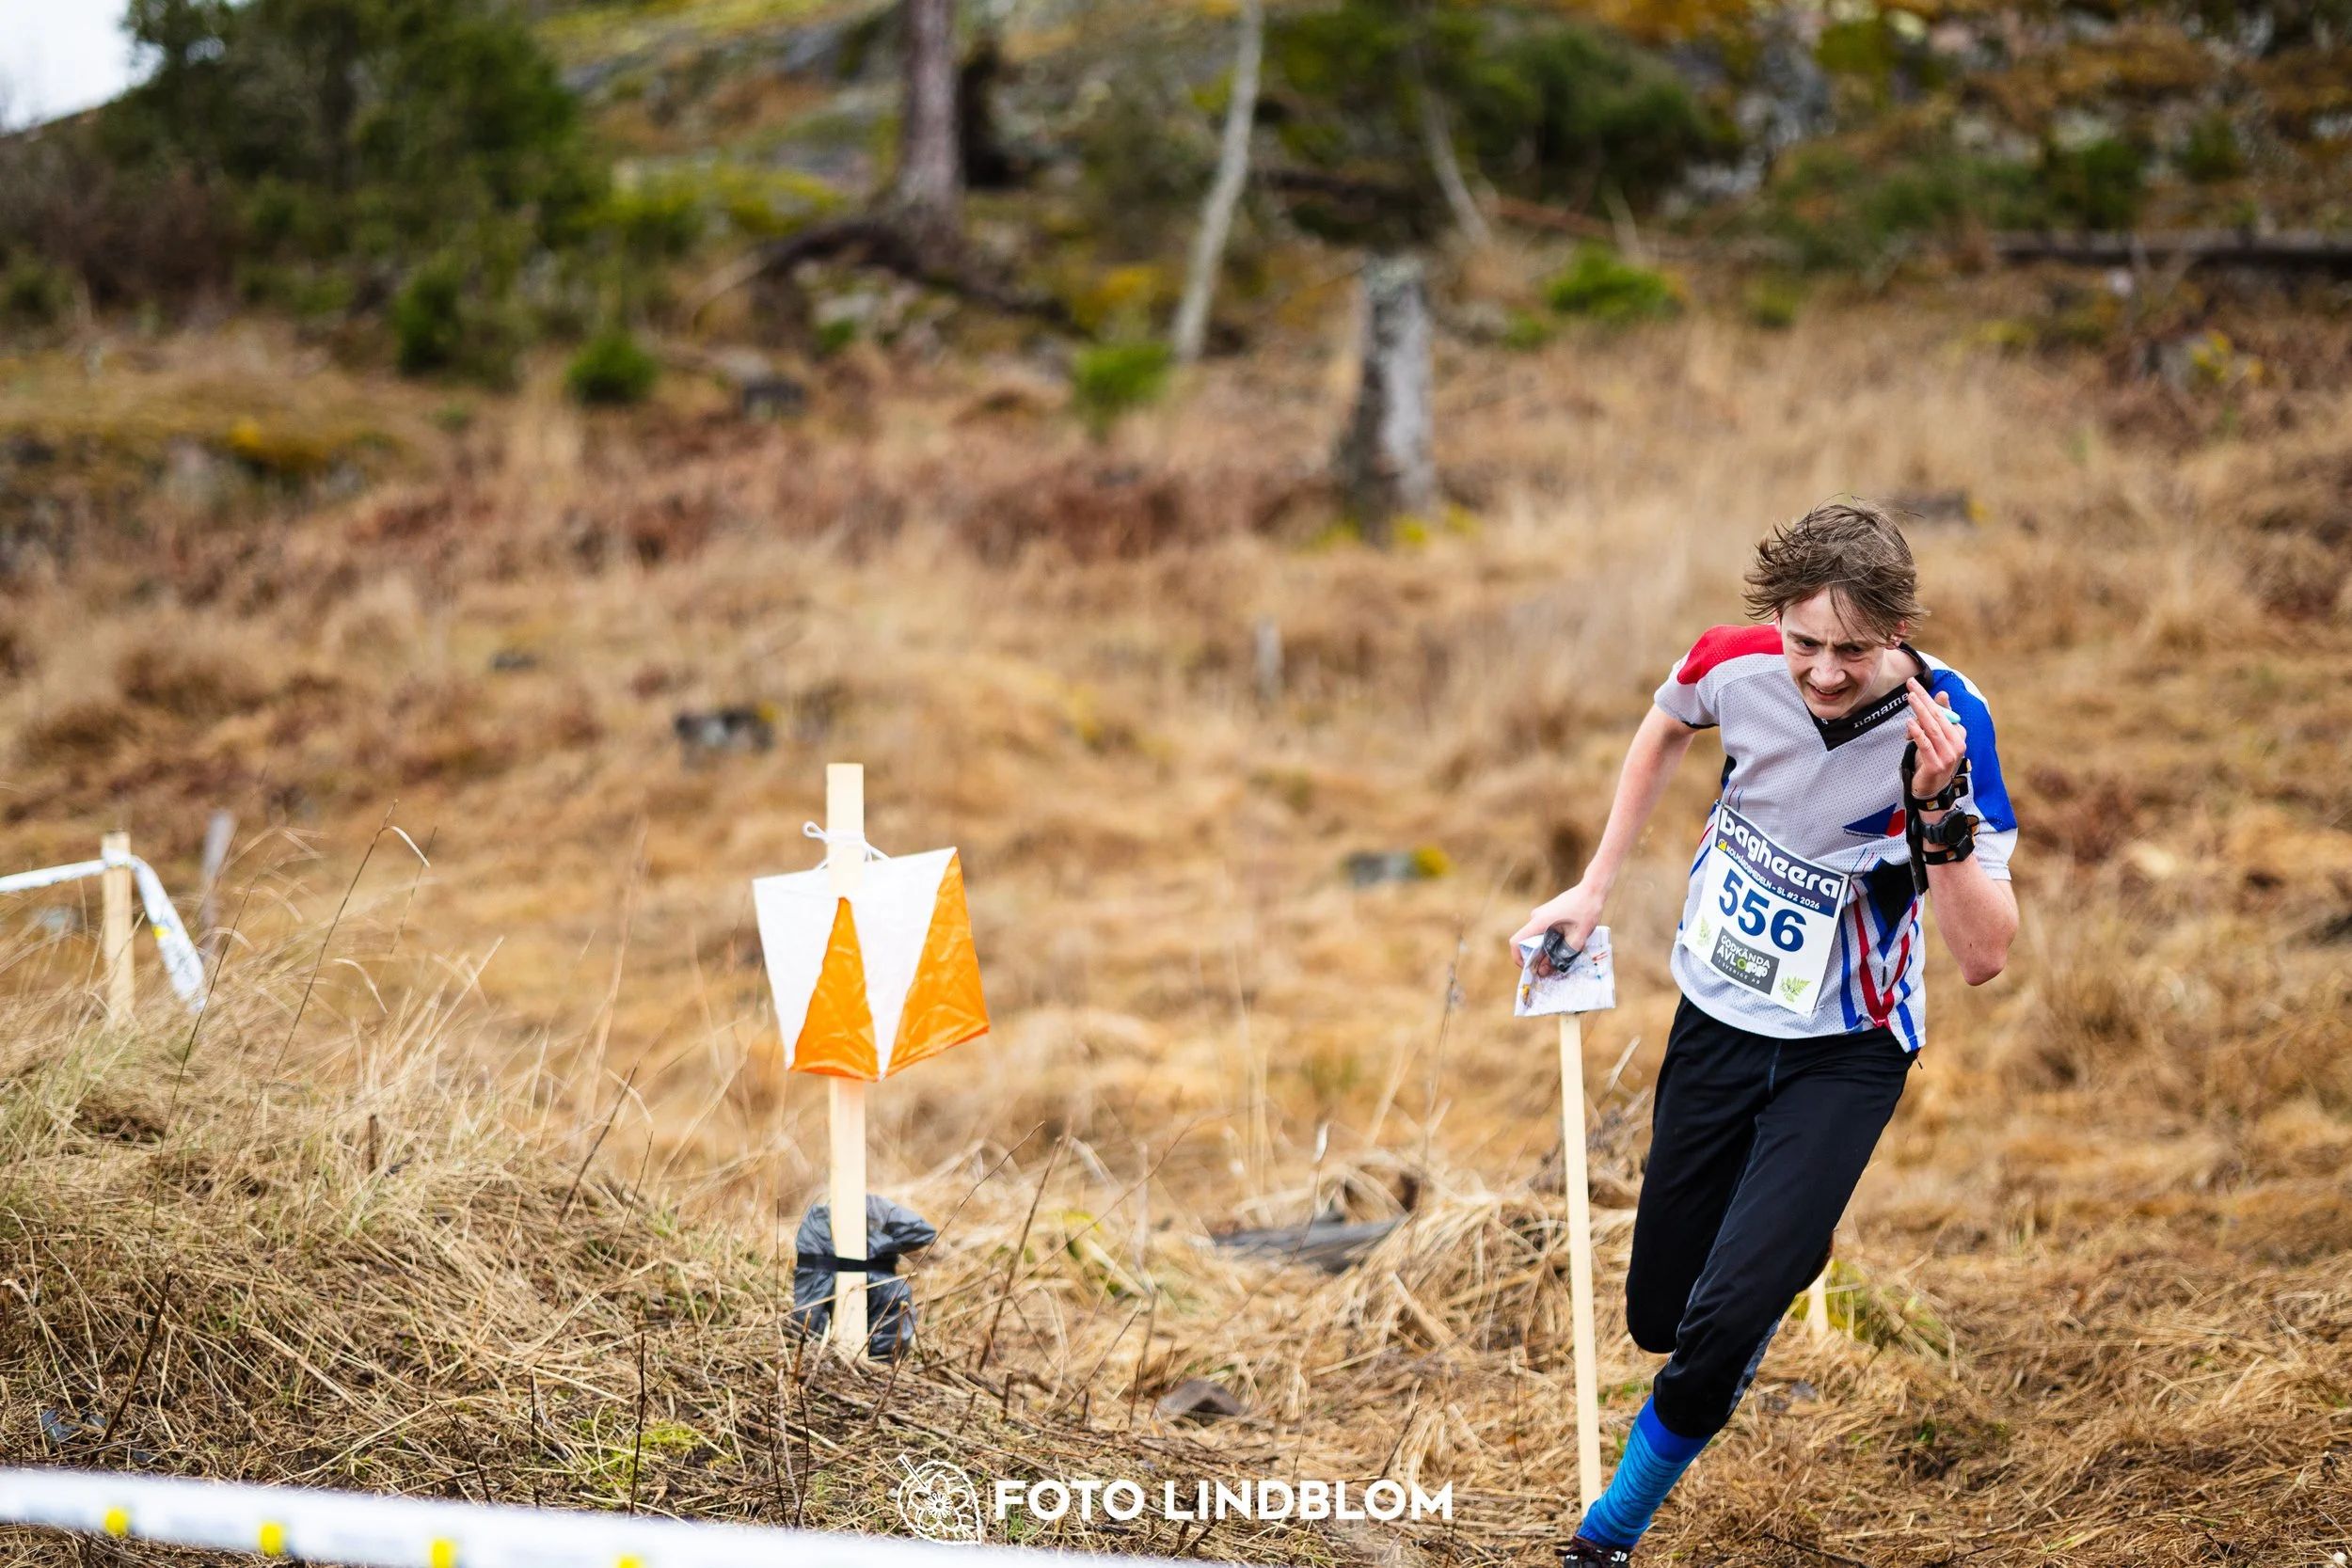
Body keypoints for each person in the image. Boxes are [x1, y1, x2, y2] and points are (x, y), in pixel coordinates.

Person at [1509, 500, 2020, 1566]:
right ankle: (1780, 1250)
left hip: (1848, 1045)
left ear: (1898, 630)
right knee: (1663, 1316)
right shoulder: (1732, 664)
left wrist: (1936, 812)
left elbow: (1983, 953)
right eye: (1803, 643)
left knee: (1710, 1342)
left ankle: (1605, 1535)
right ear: (1771, 619)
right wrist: (1595, 885)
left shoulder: (1950, 722)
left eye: (1852, 649)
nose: (1823, 673)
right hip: (1718, 1012)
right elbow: (1662, 724)